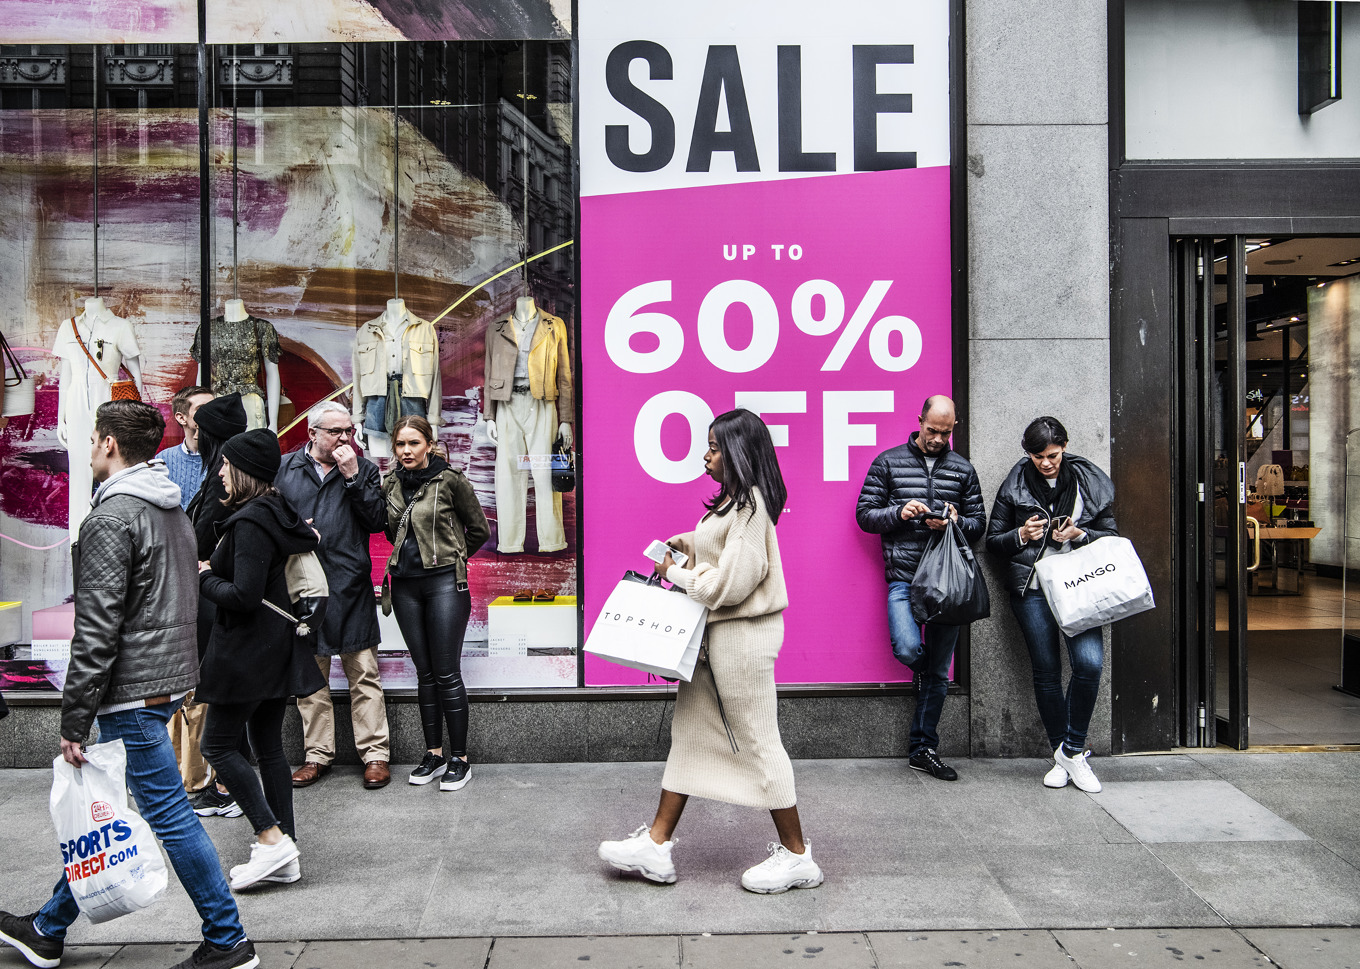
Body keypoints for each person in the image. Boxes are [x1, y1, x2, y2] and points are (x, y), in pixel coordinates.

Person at [0, 400, 259, 969]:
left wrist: (73, 719)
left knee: (167, 814)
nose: (90, 449)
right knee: (116, 809)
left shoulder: (111, 517)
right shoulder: (169, 508)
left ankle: (227, 939)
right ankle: (49, 926)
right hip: (164, 680)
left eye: (94, 439)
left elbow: (95, 628)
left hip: (133, 689)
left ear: (109, 444)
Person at [598, 409, 823, 895]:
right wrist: (691, 541)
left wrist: (673, 572)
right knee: (691, 734)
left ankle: (799, 856)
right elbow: (720, 552)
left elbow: (730, 585)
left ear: (739, 453)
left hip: (742, 641)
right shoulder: (732, 507)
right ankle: (656, 846)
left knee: (758, 739)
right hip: (714, 642)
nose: (706, 455)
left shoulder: (751, 507)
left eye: (715, 447)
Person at [197, 429, 327, 889]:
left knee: (216, 746)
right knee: (269, 746)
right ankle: (285, 850)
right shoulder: (277, 511)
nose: (219, 472)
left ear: (244, 471)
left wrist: (206, 576)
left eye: (226, 465)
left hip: (247, 652)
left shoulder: (251, 522)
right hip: (275, 646)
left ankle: (271, 841)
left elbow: (244, 595)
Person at [855, 395, 986, 782]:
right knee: (910, 649)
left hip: (948, 584)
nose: (938, 439)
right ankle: (928, 675)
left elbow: (979, 523)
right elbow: (864, 515)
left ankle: (923, 748)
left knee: (938, 674)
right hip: (905, 578)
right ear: (920, 421)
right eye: (932, 431)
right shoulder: (888, 462)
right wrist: (900, 513)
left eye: (946, 433)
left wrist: (957, 521)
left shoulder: (962, 469)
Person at [985, 416, 1117, 793]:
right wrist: (1020, 534)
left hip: (1081, 586)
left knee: (1089, 663)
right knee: (1046, 671)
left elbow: (1112, 535)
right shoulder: (1014, 484)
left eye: (1053, 455)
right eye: (1038, 456)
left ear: (1065, 447)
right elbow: (993, 542)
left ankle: (1071, 751)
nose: (1046, 463)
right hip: (1034, 588)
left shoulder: (1088, 480)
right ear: (1027, 452)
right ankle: (1067, 753)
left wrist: (1081, 533)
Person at [274, 401, 392, 790]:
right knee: (312, 679)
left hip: (349, 585)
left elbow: (377, 521)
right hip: (303, 587)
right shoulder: (285, 469)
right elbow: (270, 520)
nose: (346, 439)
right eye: (336, 432)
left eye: (349, 432)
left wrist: (353, 476)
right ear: (313, 434)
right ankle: (317, 756)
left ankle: (375, 755)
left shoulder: (365, 469)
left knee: (364, 675)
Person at [381, 416, 489, 791]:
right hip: (405, 586)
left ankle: (460, 758)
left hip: (445, 584)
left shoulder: (451, 481)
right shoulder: (390, 484)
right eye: (400, 445)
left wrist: (452, 557)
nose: (407, 451)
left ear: (429, 444)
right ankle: (434, 753)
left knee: (446, 673)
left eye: (414, 443)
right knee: (423, 673)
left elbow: (479, 530)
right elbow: (389, 528)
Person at [182, 392, 250, 820]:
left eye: (199, 426)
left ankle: (230, 786)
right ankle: (230, 783)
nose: (193, 432)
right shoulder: (230, 461)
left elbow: (204, 530)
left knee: (226, 690)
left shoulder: (223, 466)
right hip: (221, 590)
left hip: (219, 593)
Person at [156, 386, 215, 512]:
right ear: (181, 418)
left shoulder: (224, 457)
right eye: (202, 408)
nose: (212, 413)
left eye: (214, 407)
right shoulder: (163, 459)